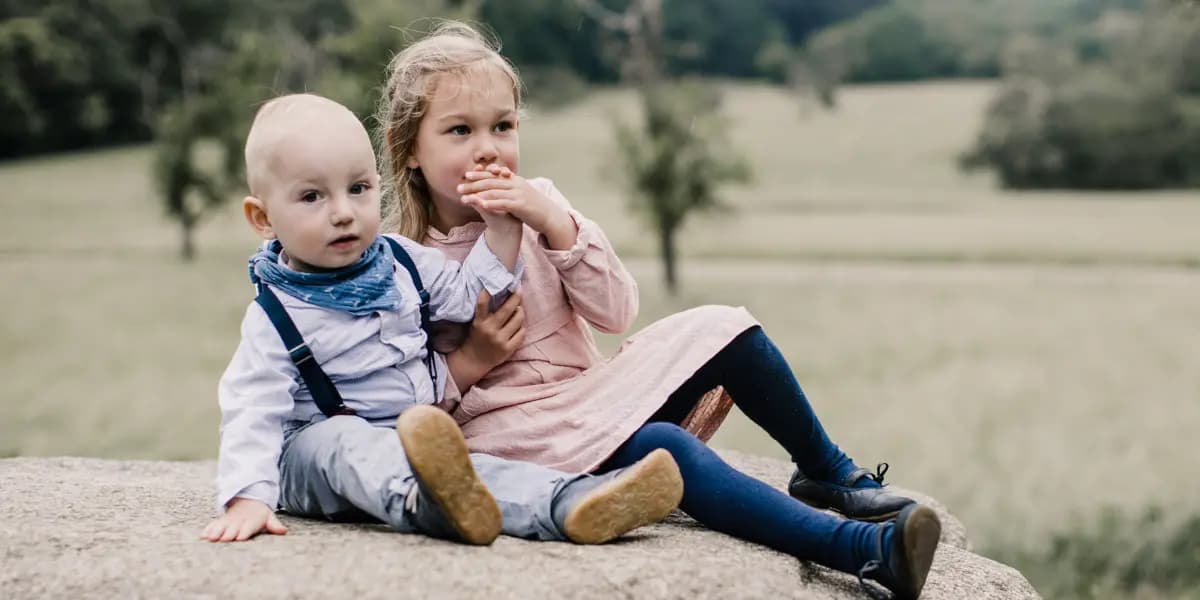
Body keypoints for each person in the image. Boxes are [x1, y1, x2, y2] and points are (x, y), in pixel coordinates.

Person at [377, 22, 942, 598]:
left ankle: (827, 471)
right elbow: (407, 402)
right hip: (522, 436)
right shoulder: (400, 262)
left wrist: (552, 224)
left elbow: (616, 311)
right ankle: (864, 551)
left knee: (728, 327)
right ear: (411, 150)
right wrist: (471, 359)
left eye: (503, 126)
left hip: (597, 395)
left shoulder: (540, 203)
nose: (488, 147)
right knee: (667, 450)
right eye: (459, 131)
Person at [202, 92, 684, 548]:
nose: (344, 213)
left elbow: (473, 293)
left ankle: (570, 503)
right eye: (312, 197)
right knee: (346, 443)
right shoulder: (275, 314)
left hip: (415, 447)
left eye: (359, 188)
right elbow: (251, 407)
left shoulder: (401, 263)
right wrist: (247, 496)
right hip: (314, 455)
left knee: (470, 469)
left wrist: (500, 226)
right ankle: (427, 504)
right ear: (262, 218)